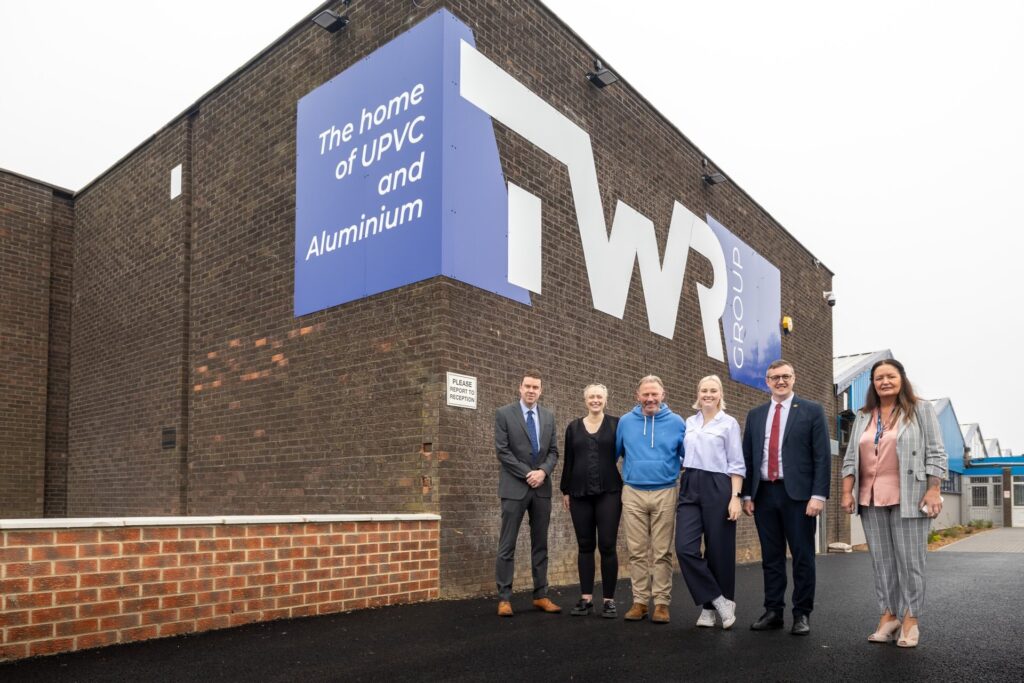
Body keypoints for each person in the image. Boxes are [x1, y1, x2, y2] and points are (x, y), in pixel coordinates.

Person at [840, 358, 947, 648]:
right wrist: (847, 492)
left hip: (910, 497)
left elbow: (937, 453)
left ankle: (911, 619)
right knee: (882, 562)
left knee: (911, 562)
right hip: (871, 498)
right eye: (878, 378)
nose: (884, 382)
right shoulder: (863, 415)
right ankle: (888, 616)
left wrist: (933, 489)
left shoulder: (920, 410)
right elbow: (851, 457)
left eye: (890, 376)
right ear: (873, 384)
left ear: (901, 378)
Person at [742, 359, 830, 635]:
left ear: (794, 378)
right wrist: (747, 493)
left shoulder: (812, 411)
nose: (780, 381)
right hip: (765, 493)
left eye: (785, 376)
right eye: (774, 377)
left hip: (800, 497)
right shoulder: (755, 415)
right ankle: (773, 611)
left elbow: (822, 457)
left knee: (803, 556)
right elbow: (748, 457)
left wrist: (818, 495)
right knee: (771, 556)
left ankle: (802, 613)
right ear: (766, 381)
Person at [676, 375, 745, 630]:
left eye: (713, 390)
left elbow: (736, 463)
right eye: (704, 390)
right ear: (698, 393)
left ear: (720, 394)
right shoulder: (689, 421)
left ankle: (709, 610)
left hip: (719, 485)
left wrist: (735, 497)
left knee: (719, 550)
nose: (708, 394)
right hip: (690, 482)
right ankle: (719, 600)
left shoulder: (728, 423)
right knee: (684, 548)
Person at [615, 375, 685, 624]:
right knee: (636, 552)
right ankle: (640, 602)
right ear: (637, 396)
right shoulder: (625, 421)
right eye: (645, 394)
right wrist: (623, 481)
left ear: (663, 395)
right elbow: (614, 455)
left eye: (654, 394)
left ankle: (662, 604)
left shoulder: (677, 422)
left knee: (662, 552)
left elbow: (687, 458)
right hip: (632, 492)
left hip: (665, 491)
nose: (650, 399)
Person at [494, 370, 561, 617]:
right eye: (528, 386)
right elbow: (503, 451)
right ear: (520, 388)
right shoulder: (504, 414)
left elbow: (554, 452)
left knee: (540, 544)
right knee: (507, 544)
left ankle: (541, 595)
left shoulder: (549, 417)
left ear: (540, 391)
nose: (531, 391)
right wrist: (528, 473)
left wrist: (542, 472)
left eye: (536, 387)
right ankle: (504, 598)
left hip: (541, 490)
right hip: (514, 488)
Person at [560, 384, 622, 618]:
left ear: (606, 400)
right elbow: (569, 460)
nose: (595, 400)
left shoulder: (617, 425)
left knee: (607, 545)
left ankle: (609, 600)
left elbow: (629, 454)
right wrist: (565, 490)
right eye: (591, 397)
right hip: (579, 493)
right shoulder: (573, 428)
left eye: (599, 397)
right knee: (585, 545)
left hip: (610, 493)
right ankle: (586, 598)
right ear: (585, 400)